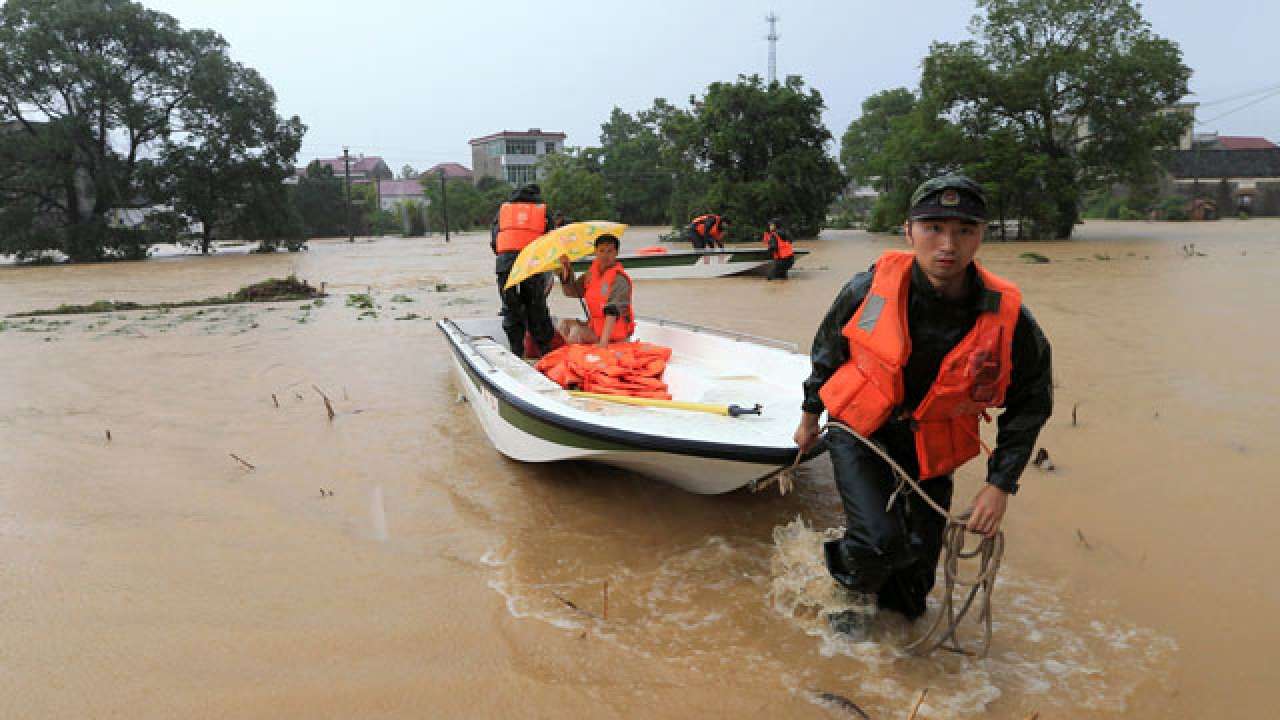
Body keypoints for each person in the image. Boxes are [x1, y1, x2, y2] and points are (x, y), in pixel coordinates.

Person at [791, 176, 1053, 641]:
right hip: (860, 430)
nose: (948, 244)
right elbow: (828, 348)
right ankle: (848, 592)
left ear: (981, 236)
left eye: (964, 230)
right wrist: (810, 416)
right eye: (933, 227)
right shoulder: (869, 288)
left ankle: (898, 647)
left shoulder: (1007, 315)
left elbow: (1032, 400)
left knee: (913, 591)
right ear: (908, 232)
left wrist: (1000, 485)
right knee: (879, 541)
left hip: (932, 443)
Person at [491, 183, 556, 357]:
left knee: (510, 307)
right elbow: (552, 239)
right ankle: (544, 351)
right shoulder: (542, 211)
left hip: (505, 264)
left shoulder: (503, 211)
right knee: (536, 306)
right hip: (532, 263)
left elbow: (495, 242)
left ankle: (516, 352)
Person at [555, 234, 634, 347]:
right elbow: (572, 292)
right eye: (601, 251)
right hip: (596, 327)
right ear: (595, 252)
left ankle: (574, 357)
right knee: (564, 324)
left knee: (576, 333)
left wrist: (603, 343)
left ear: (616, 253)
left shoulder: (619, 279)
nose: (605, 255)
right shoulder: (591, 274)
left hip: (614, 332)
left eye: (609, 251)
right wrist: (567, 269)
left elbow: (613, 311)